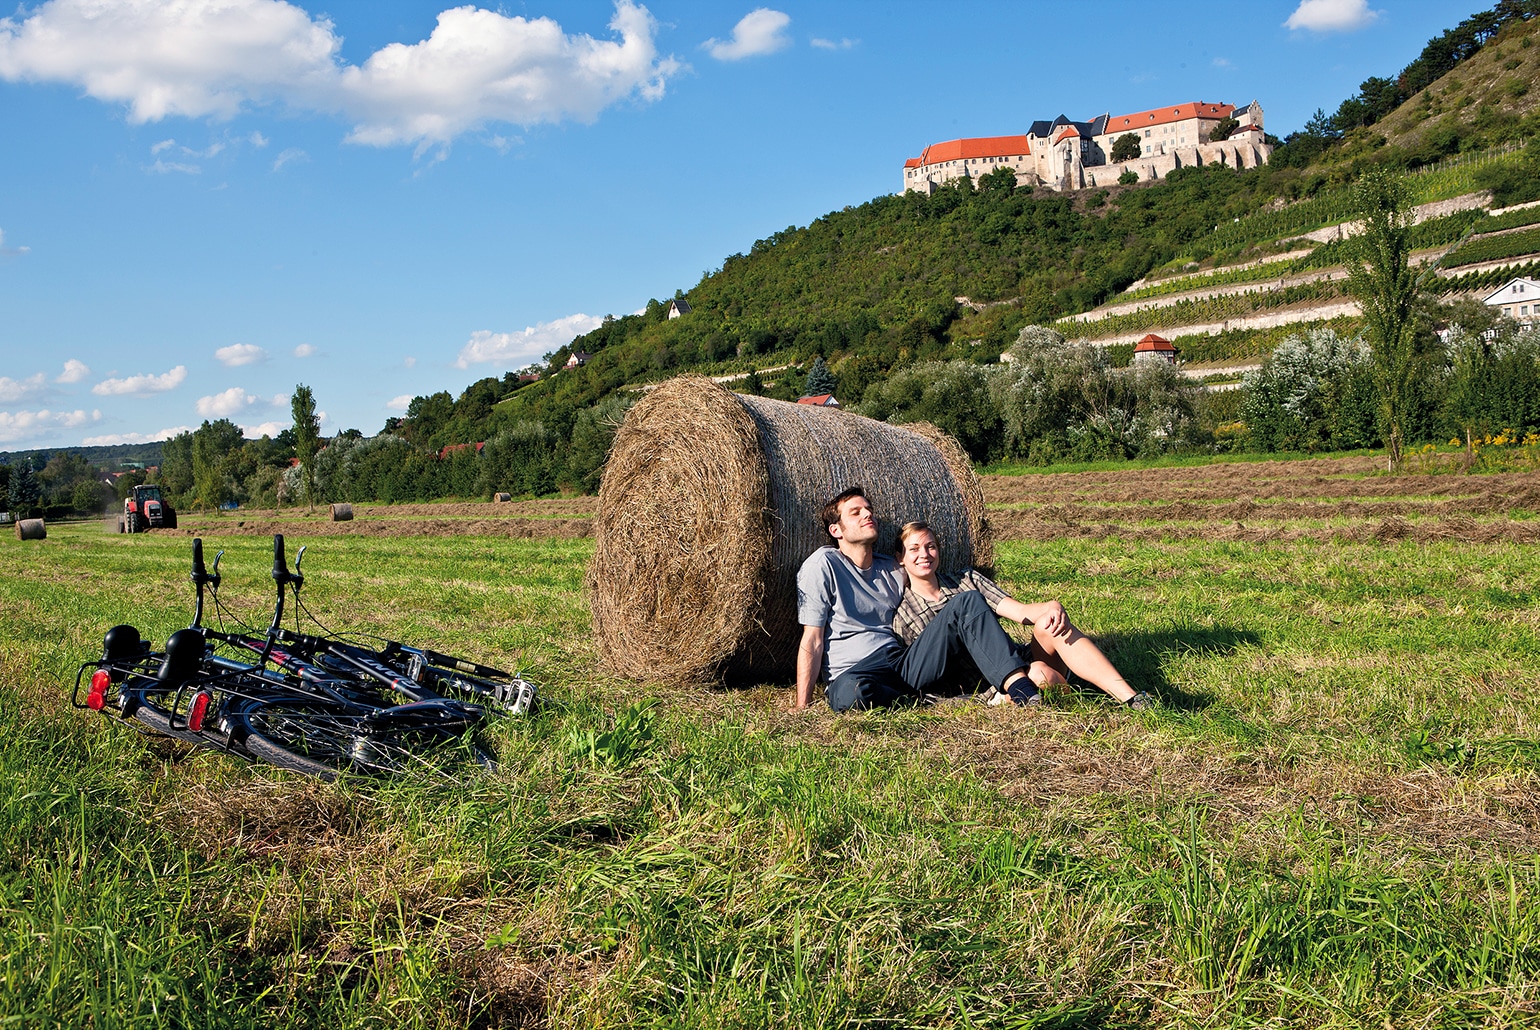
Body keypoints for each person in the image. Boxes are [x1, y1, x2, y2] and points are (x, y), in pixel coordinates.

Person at [794, 487, 1038, 711]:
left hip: (901, 662)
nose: (867, 514)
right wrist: (802, 705)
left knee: (967, 602)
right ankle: (927, 702)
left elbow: (926, 571)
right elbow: (813, 638)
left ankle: (1022, 691)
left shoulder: (892, 568)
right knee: (852, 694)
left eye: (869, 510)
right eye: (855, 512)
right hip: (854, 672)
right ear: (835, 530)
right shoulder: (823, 564)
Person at [892, 520, 1154, 710]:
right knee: (1041, 674)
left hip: (1014, 659)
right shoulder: (903, 614)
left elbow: (1018, 611)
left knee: (1049, 625)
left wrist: (1050, 606)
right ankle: (1068, 696)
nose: (924, 555)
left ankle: (1130, 697)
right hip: (984, 683)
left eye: (930, 546)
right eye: (914, 549)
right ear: (900, 558)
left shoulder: (966, 579)